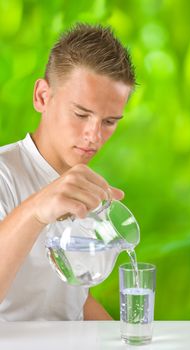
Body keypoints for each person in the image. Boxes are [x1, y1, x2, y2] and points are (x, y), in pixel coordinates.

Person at [0, 23, 136, 321]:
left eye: (109, 121)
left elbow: (70, 301)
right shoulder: (4, 174)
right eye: (81, 114)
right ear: (42, 97)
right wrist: (38, 209)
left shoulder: (86, 190)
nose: (94, 135)